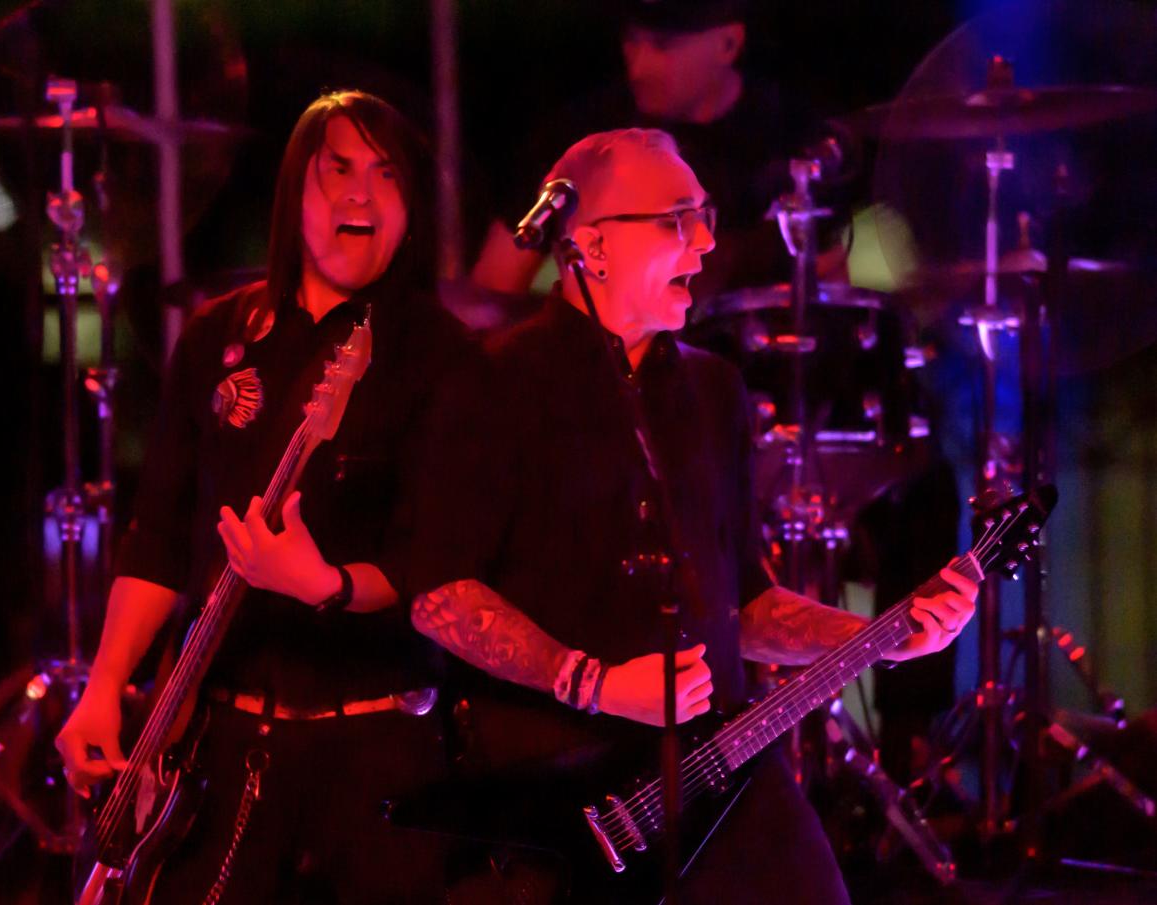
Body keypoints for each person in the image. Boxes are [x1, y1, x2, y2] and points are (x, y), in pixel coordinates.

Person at [403, 129, 979, 904]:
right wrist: (593, 682)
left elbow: (744, 606)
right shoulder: (490, 383)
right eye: (678, 220)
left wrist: (882, 637)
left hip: (718, 764)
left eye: (704, 215)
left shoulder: (713, 392)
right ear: (592, 246)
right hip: (557, 786)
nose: (707, 244)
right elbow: (439, 594)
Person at [55, 90, 466, 904]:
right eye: (338, 169)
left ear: (411, 209)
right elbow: (160, 536)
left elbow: (437, 564)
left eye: (385, 175)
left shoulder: (443, 355)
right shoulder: (215, 338)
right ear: (293, 194)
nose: (360, 193)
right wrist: (104, 685)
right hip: (222, 736)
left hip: (377, 737)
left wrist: (326, 585)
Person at [470, 0, 823, 304]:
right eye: (631, 39)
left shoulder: (792, 136)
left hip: (758, 377)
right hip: (608, 376)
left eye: (662, 45)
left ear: (728, 43)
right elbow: (493, 288)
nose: (638, 66)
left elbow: (831, 291)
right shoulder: (579, 140)